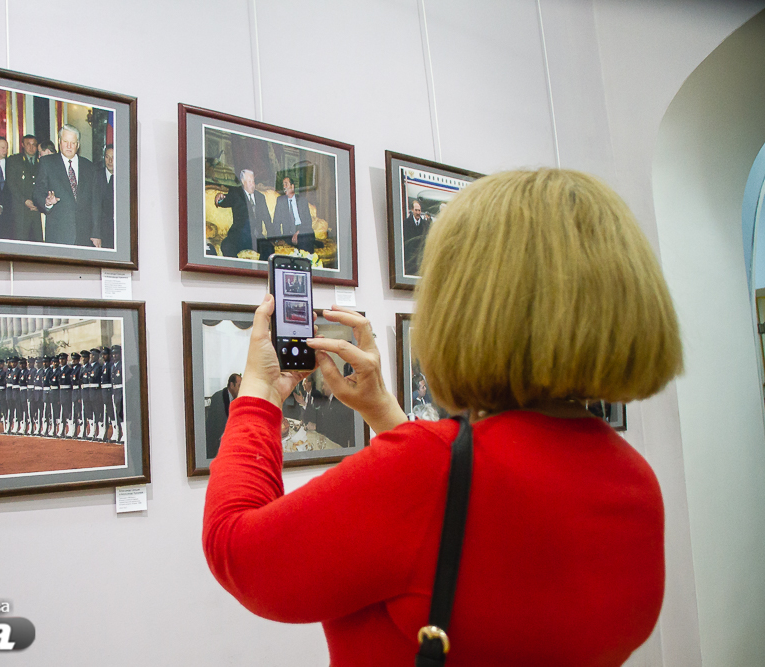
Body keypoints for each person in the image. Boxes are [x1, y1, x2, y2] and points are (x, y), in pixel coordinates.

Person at [203, 169, 683, 665]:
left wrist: (259, 393)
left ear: (464, 306)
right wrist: (382, 410)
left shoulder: (423, 473)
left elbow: (237, 549)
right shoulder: (636, 484)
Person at [32, 124, 101, 247]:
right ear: (59, 142)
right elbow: (37, 192)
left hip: (84, 236)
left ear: (78, 144)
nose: (69, 146)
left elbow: (95, 202)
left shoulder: (90, 167)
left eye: (73, 143)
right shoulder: (47, 163)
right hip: (58, 234)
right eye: (65, 142)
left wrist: (96, 233)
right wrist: (47, 202)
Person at [214, 169, 271, 258]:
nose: (252, 184)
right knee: (226, 246)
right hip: (239, 236)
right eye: (249, 181)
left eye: (253, 181)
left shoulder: (260, 197)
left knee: (269, 249)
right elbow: (223, 201)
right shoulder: (236, 193)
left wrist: (273, 238)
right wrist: (219, 197)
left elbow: (267, 219)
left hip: (256, 237)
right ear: (243, 182)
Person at [6, 134, 43, 242]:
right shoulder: (14, 160)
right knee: (21, 241)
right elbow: (11, 184)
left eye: (34, 145)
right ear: (22, 145)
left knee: (39, 241)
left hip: (37, 210)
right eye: (28, 144)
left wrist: (39, 203)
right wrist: (25, 200)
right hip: (21, 209)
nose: (31, 147)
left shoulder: (41, 162)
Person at [270, 177, 315, 253]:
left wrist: (298, 232)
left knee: (305, 240)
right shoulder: (280, 201)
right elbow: (276, 222)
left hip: (302, 230)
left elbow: (308, 221)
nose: (284, 187)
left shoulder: (302, 200)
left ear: (292, 186)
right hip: (288, 234)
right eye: (283, 185)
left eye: (286, 184)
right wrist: (278, 239)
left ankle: (305, 257)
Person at [205, 373, 241, 459]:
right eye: (239, 386)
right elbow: (216, 425)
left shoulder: (237, 400)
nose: (241, 389)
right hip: (216, 443)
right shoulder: (218, 398)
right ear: (231, 385)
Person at [402, 198, 430, 276]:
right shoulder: (405, 224)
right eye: (416, 210)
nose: (418, 213)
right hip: (410, 261)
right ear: (412, 210)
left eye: (419, 210)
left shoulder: (425, 225)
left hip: (420, 260)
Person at [95, 145, 115, 248]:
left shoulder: (126, 178)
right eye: (107, 157)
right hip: (101, 233)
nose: (110, 161)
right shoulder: (95, 176)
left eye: (113, 157)